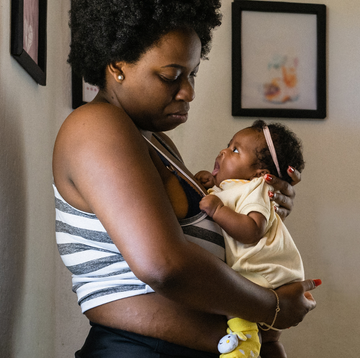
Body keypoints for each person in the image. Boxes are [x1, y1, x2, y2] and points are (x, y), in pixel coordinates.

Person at [52, 1, 319, 357]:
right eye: (170, 76)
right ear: (117, 65)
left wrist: (259, 207)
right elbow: (164, 265)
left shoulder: (156, 142)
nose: (188, 92)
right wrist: (274, 308)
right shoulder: (98, 126)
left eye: (192, 74)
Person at [195, 120, 317, 358]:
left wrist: (217, 209)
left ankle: (243, 349)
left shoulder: (256, 188)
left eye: (235, 150)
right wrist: (208, 185)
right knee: (269, 340)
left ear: (260, 174)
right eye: (228, 146)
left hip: (263, 273)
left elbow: (252, 230)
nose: (223, 151)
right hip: (256, 272)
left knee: (241, 315)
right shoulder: (229, 188)